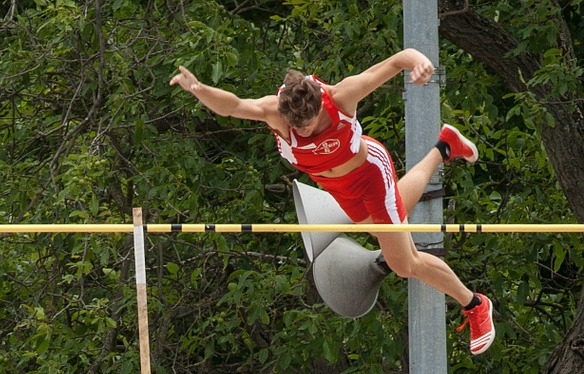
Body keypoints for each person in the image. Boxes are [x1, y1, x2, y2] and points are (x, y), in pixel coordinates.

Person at [170, 51, 495, 356]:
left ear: (318, 104)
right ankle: (445, 146)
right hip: (337, 186)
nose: (302, 130)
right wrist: (198, 88)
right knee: (377, 225)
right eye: (296, 126)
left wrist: (420, 62)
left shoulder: (342, 96)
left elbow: (398, 60)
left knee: (403, 264)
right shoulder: (275, 113)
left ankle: (475, 303)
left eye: (308, 123)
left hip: (370, 176)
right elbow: (232, 105)